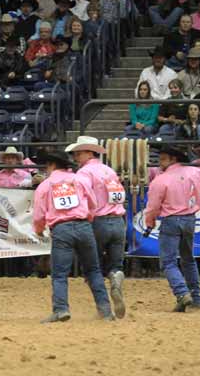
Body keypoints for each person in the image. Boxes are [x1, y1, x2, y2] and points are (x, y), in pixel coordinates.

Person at [144, 144, 200, 312]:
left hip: (171, 221)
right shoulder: (194, 172)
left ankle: (182, 293)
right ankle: (196, 298)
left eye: (163, 159)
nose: (160, 162)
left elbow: (152, 207)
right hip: (189, 219)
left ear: (173, 159)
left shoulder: (160, 180)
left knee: (168, 262)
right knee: (188, 259)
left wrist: (149, 222)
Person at [33, 149, 114, 323]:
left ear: (51, 165)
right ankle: (106, 311)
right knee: (93, 270)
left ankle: (61, 310)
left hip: (61, 229)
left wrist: (39, 229)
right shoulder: (79, 180)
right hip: (84, 226)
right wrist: (87, 219)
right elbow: (93, 203)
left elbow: (39, 214)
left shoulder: (45, 185)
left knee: (60, 273)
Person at [65, 136, 127, 319]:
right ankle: (116, 279)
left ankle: (103, 307)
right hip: (118, 220)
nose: (76, 156)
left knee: (93, 267)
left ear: (89, 152)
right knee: (116, 264)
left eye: (79, 152)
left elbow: (81, 197)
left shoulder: (84, 173)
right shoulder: (109, 171)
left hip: (98, 222)